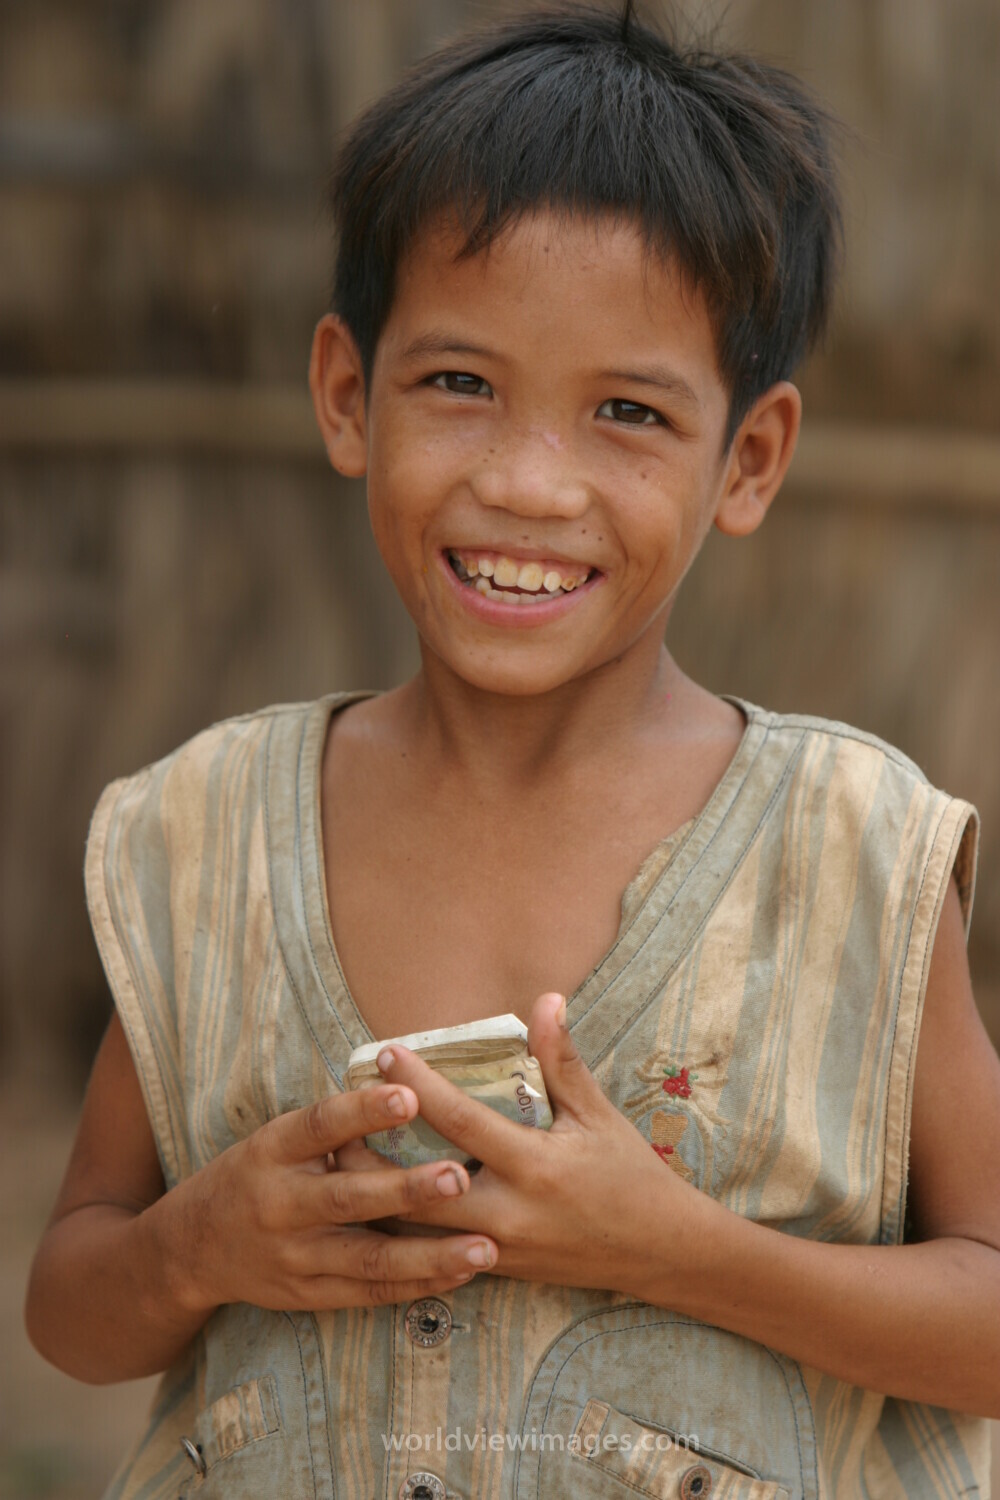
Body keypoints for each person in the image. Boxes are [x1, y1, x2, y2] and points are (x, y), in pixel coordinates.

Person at [25, 4, 1000, 1497]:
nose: (529, 483)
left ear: (748, 461)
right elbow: (72, 1310)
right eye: (460, 385)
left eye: (626, 413)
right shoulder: (209, 836)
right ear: (349, 395)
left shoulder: (850, 851)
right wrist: (199, 1246)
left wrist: (677, 1252)